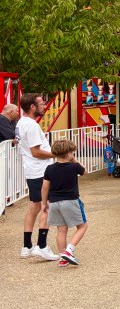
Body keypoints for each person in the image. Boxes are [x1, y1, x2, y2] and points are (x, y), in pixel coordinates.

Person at [16, 94, 59, 260]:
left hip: (32, 171)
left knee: (34, 206)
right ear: (32, 107)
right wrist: (56, 154)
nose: (44, 105)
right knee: (46, 206)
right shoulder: (32, 126)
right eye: (41, 103)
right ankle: (41, 245)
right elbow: (36, 152)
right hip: (40, 171)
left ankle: (27, 246)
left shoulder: (21, 123)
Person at [41, 139, 88, 268]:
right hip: (71, 201)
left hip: (54, 203)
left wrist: (44, 203)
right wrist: (74, 160)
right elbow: (85, 171)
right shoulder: (74, 167)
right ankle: (69, 250)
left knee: (61, 230)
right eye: (72, 152)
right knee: (82, 226)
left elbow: (45, 187)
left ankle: (63, 257)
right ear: (68, 154)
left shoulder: (49, 168)